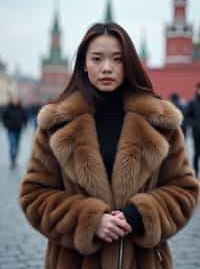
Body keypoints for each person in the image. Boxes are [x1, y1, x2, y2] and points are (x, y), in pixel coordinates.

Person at [19, 23, 199, 269]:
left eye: (117, 59)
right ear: (83, 63)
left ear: (130, 64)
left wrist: (140, 215)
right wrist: (89, 221)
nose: (107, 68)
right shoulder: (57, 124)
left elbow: (184, 190)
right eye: (96, 58)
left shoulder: (160, 122)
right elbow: (34, 196)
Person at [2, 95, 27, 168]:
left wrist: (24, 124)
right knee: (12, 144)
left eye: (16, 100)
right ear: (11, 100)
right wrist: (6, 125)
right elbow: (3, 117)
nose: (15, 101)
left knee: (17, 145)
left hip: (19, 129)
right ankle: (12, 161)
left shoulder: (21, 108)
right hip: (10, 130)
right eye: (14, 99)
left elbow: (25, 117)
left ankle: (15, 158)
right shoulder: (8, 108)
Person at [186, 82, 200, 177]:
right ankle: (196, 174)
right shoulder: (192, 102)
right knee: (196, 153)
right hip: (197, 132)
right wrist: (195, 124)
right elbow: (187, 117)